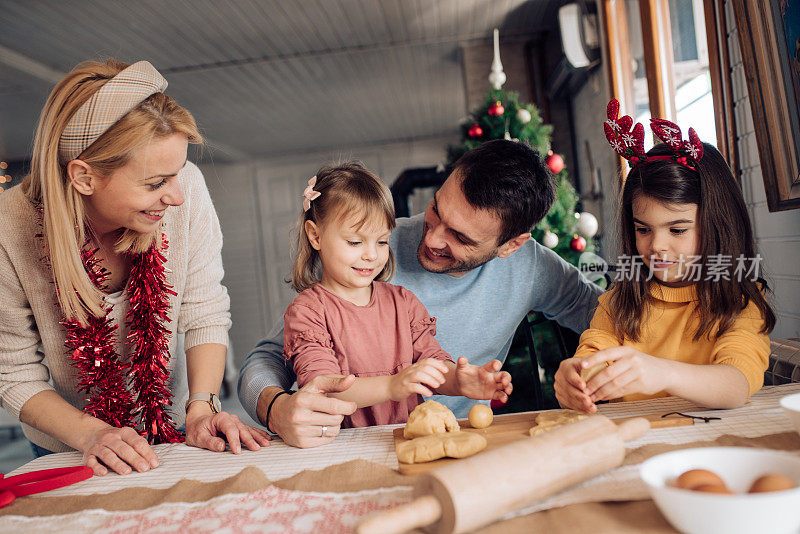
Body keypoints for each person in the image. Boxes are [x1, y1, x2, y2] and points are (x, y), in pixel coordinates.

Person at [0, 59, 270, 476]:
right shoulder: (8, 229)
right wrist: (89, 434)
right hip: (70, 447)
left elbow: (205, 313)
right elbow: (14, 374)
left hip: (174, 423)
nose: (177, 196)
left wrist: (201, 408)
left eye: (178, 173)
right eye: (155, 183)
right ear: (84, 178)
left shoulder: (188, 190)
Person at [239, 139, 603, 447]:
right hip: (350, 442)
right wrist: (276, 408)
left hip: (452, 441)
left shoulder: (533, 267)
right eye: (436, 208)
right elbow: (267, 360)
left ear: (510, 246)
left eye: (460, 237)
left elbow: (615, 319)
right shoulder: (372, 247)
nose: (431, 239)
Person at [554, 101, 775, 413]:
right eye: (643, 229)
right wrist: (575, 378)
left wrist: (662, 372)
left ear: (718, 225)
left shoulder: (739, 301)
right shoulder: (619, 302)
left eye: (677, 230)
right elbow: (590, 360)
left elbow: (737, 383)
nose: (656, 246)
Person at [283, 163, 512, 428]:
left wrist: (459, 381)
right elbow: (323, 389)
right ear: (315, 236)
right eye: (355, 242)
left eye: (381, 241)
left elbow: (431, 366)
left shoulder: (403, 302)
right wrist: (393, 385)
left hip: (405, 439)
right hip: (341, 445)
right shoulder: (308, 311)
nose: (372, 254)